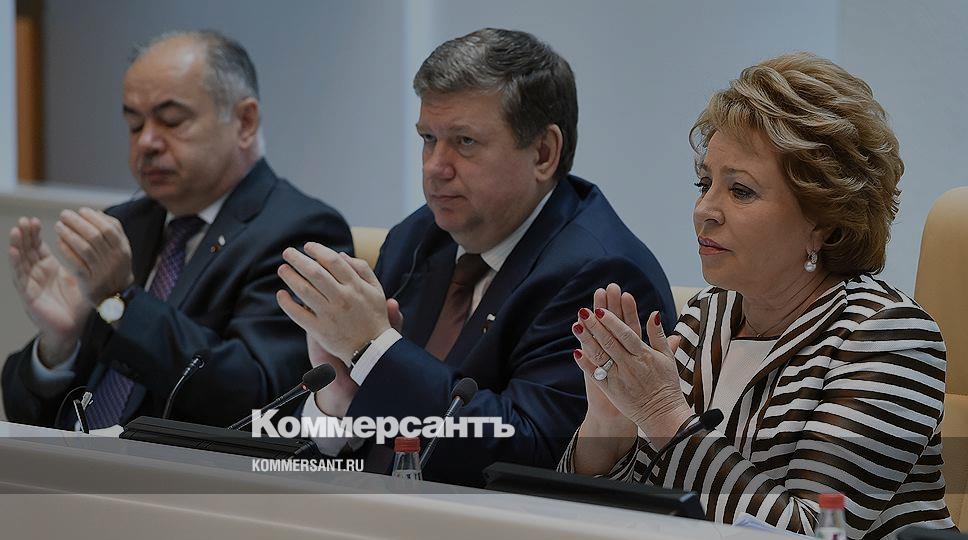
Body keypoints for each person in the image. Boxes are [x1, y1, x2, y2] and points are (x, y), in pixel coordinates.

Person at [560, 52, 954, 540]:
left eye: (741, 191)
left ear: (824, 221)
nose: (704, 210)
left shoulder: (888, 338)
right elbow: (618, 517)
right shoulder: (708, 315)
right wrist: (608, 429)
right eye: (705, 183)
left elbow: (815, 534)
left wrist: (662, 413)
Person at [276, 28, 675, 486]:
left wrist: (373, 349)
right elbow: (350, 446)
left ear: (544, 153)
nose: (434, 166)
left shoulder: (600, 273)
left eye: (464, 141)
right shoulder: (418, 238)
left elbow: (529, 458)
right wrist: (339, 399)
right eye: (428, 138)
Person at [3, 30, 352, 429]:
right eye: (134, 125)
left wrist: (123, 302)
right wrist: (59, 346)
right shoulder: (126, 224)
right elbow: (22, 414)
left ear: (245, 121)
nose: (147, 142)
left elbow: (258, 401)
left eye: (171, 121)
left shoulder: (299, 232)